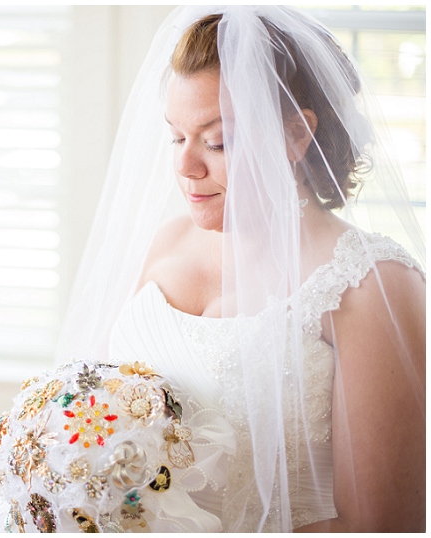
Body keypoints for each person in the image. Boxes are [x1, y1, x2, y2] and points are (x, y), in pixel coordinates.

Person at [53, 5, 425, 532]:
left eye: (217, 141)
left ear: (297, 136)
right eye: (176, 137)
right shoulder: (164, 243)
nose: (186, 167)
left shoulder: (371, 283)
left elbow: (382, 524)